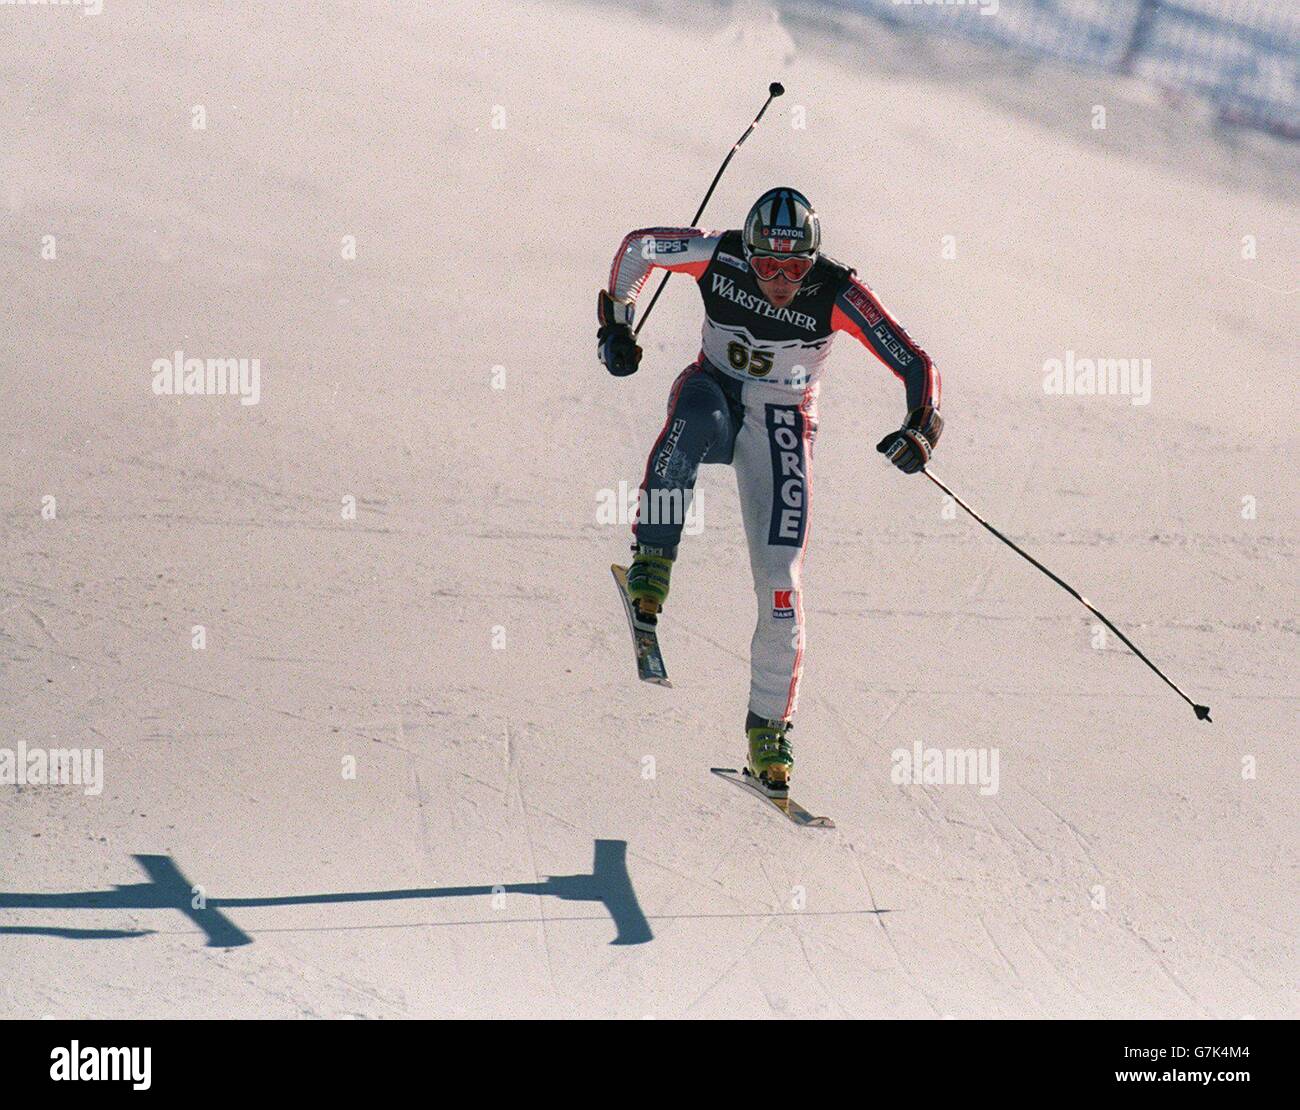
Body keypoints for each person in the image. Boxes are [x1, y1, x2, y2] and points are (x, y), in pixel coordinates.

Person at [598, 187, 942, 793]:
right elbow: (638, 250)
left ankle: (769, 733)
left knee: (782, 584)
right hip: (715, 394)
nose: (780, 280)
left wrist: (922, 428)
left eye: (794, 267)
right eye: (766, 265)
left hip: (781, 422)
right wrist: (616, 326)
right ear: (748, 252)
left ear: (814, 260)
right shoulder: (719, 256)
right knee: (691, 422)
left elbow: (914, 360)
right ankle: (652, 566)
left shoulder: (838, 292)